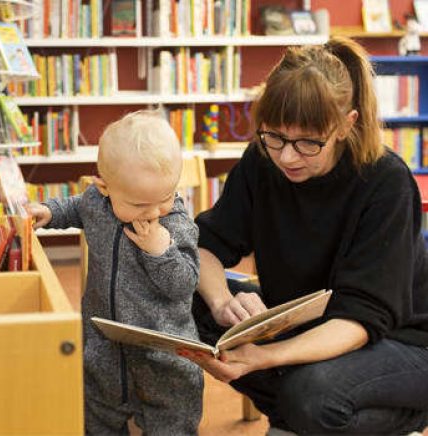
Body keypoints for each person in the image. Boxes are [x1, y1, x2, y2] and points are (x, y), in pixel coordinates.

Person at [181, 36, 428, 435]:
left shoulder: (387, 182)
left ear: (347, 124)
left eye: (308, 143)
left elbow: (361, 320)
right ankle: (301, 418)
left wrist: (262, 357)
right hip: (311, 326)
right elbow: (205, 246)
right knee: (175, 294)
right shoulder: (264, 161)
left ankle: (399, 419)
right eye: (274, 136)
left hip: (405, 343)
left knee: (311, 394)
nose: (287, 156)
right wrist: (223, 301)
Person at [27, 110, 204, 434]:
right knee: (97, 409)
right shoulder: (96, 201)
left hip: (162, 349)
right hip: (102, 340)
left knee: (172, 417)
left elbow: (184, 285)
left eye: (165, 197)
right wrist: (50, 211)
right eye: (139, 204)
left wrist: (160, 251)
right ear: (104, 187)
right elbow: (78, 207)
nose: (153, 212)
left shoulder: (175, 223)